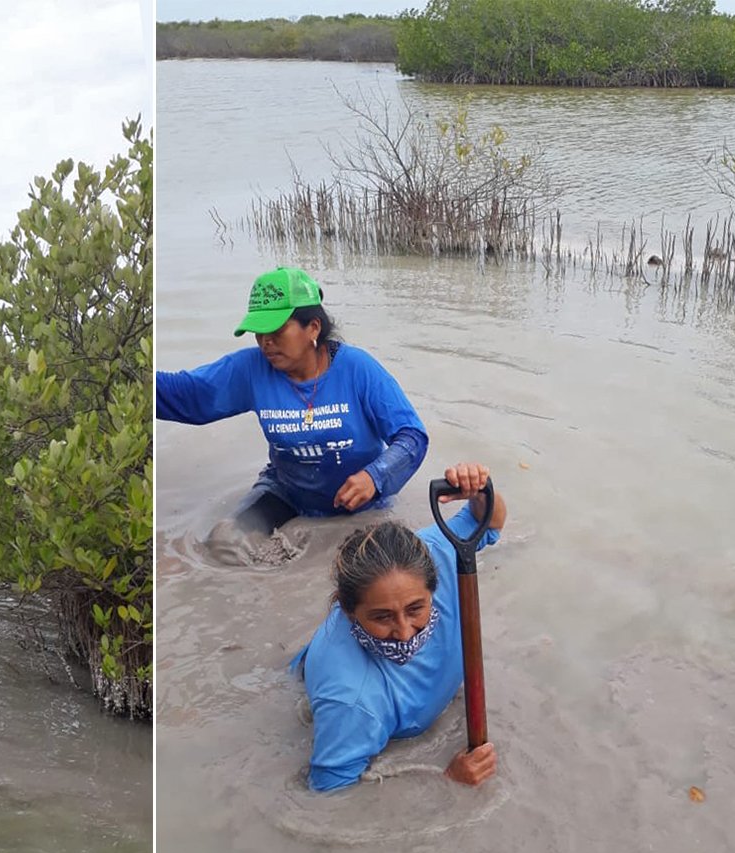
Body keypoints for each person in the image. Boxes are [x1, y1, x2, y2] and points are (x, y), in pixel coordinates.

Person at [156, 267, 429, 535]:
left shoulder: (358, 369)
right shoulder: (252, 370)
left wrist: (375, 477)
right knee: (226, 539)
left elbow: (412, 437)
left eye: (276, 329)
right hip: (286, 494)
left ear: (313, 327)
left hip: (361, 506)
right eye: (259, 332)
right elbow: (185, 395)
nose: (265, 342)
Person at [294, 462, 506, 792]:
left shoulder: (439, 553)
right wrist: (447, 783)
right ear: (349, 612)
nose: (406, 632)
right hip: (333, 694)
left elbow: (489, 520)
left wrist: (478, 490)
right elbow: (326, 800)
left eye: (416, 609)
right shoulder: (352, 703)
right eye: (382, 617)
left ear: (433, 585)